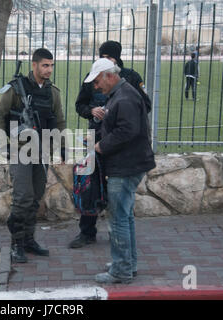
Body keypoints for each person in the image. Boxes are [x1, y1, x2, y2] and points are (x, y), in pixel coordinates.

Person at [69, 40, 151, 249]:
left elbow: (144, 106)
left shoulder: (131, 78)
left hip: (118, 144)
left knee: (119, 193)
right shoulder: (94, 76)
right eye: (101, 57)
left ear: (115, 60)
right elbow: (79, 104)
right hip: (94, 137)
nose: (103, 61)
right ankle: (87, 231)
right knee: (89, 186)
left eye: (108, 58)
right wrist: (91, 111)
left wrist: (115, 113)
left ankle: (121, 234)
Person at [83, 58, 155, 284]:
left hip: (125, 166)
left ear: (108, 75)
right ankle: (127, 263)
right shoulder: (122, 94)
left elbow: (126, 131)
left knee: (119, 219)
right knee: (126, 216)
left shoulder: (123, 97)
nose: (95, 87)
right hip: (130, 163)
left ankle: (121, 269)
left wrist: (100, 145)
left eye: (96, 82)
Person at [0, 48, 66, 263]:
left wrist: (61, 147)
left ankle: (29, 240)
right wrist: (2, 144)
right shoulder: (16, 89)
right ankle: (16, 244)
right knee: (22, 197)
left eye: (51, 65)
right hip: (20, 151)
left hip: (41, 151)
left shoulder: (53, 93)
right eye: (45, 65)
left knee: (35, 198)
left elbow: (58, 121)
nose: (49, 69)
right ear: (33, 65)